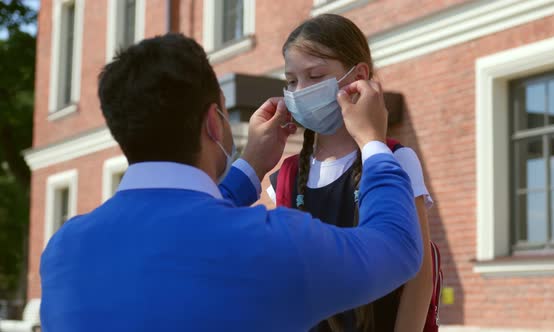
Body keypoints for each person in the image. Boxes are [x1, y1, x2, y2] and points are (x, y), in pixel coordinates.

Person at [40, 34, 423, 332]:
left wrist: (249, 168)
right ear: (212, 121)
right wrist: (374, 142)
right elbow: (397, 247)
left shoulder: (62, 251)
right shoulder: (271, 244)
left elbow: (180, 225)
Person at [268, 14, 434, 332]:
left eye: (315, 76)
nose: (300, 91)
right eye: (291, 81)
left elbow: (419, 279)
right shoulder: (285, 176)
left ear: (357, 76)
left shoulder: (395, 159)